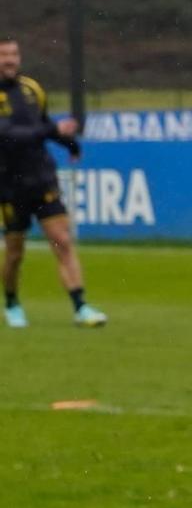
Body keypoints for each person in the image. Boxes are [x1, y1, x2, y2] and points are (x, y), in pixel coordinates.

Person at [1, 38, 106, 329]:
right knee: (14, 253)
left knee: (62, 241)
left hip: (41, 179)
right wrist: (52, 130)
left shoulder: (32, 89)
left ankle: (81, 307)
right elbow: (9, 135)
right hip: (9, 186)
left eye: (13, 53)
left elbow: (42, 124)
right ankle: (11, 302)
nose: (9, 60)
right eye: (3, 55)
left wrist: (68, 143)